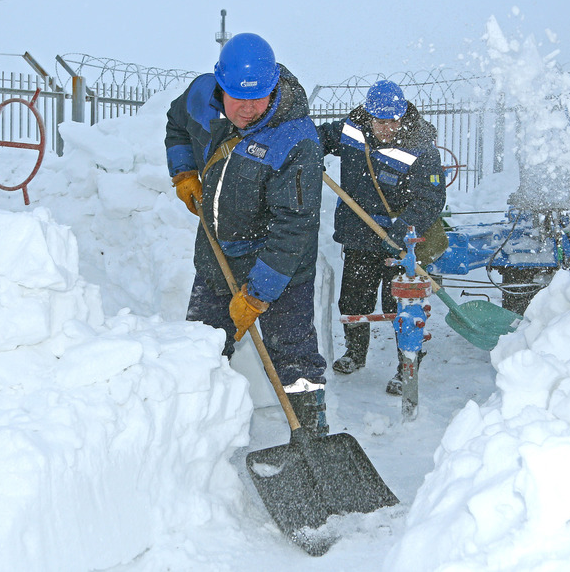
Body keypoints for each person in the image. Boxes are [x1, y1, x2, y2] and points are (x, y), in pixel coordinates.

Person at [165, 32, 329, 436]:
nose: (250, 110)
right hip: (217, 260)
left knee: (295, 360)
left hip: (281, 269)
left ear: (274, 87)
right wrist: (184, 170)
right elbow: (176, 124)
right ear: (220, 87)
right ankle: (194, 441)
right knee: (199, 349)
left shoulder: (296, 140)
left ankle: (311, 436)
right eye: (239, 99)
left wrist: (258, 293)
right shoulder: (202, 96)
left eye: (260, 99)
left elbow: (294, 229)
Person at [316, 79, 448, 395]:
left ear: (402, 116)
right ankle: (355, 353)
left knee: (400, 307)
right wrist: (311, 154)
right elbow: (315, 138)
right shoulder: (351, 131)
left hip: (398, 243)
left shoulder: (420, 148)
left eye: (393, 120)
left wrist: (403, 228)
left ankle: (407, 365)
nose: (387, 128)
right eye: (380, 121)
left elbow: (431, 198)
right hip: (359, 235)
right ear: (368, 115)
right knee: (352, 300)